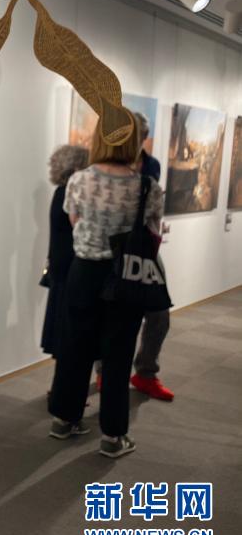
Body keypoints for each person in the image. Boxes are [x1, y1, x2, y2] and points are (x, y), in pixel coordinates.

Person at [48, 107, 164, 458]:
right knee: (118, 355)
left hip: (83, 272)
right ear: (134, 140)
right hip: (124, 275)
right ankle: (113, 436)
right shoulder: (146, 186)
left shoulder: (78, 180)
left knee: (75, 347)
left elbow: (74, 221)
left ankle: (64, 419)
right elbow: (154, 233)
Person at [93, 114, 174, 401]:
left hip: (143, 247)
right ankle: (104, 369)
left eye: (140, 135)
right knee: (109, 309)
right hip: (111, 247)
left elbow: (153, 211)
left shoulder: (151, 165)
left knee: (159, 313)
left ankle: (145, 372)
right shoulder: (102, 165)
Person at [40, 145, 88, 362]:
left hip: (61, 266)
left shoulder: (61, 191)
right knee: (67, 330)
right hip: (69, 267)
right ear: (76, 167)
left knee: (64, 327)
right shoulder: (68, 193)